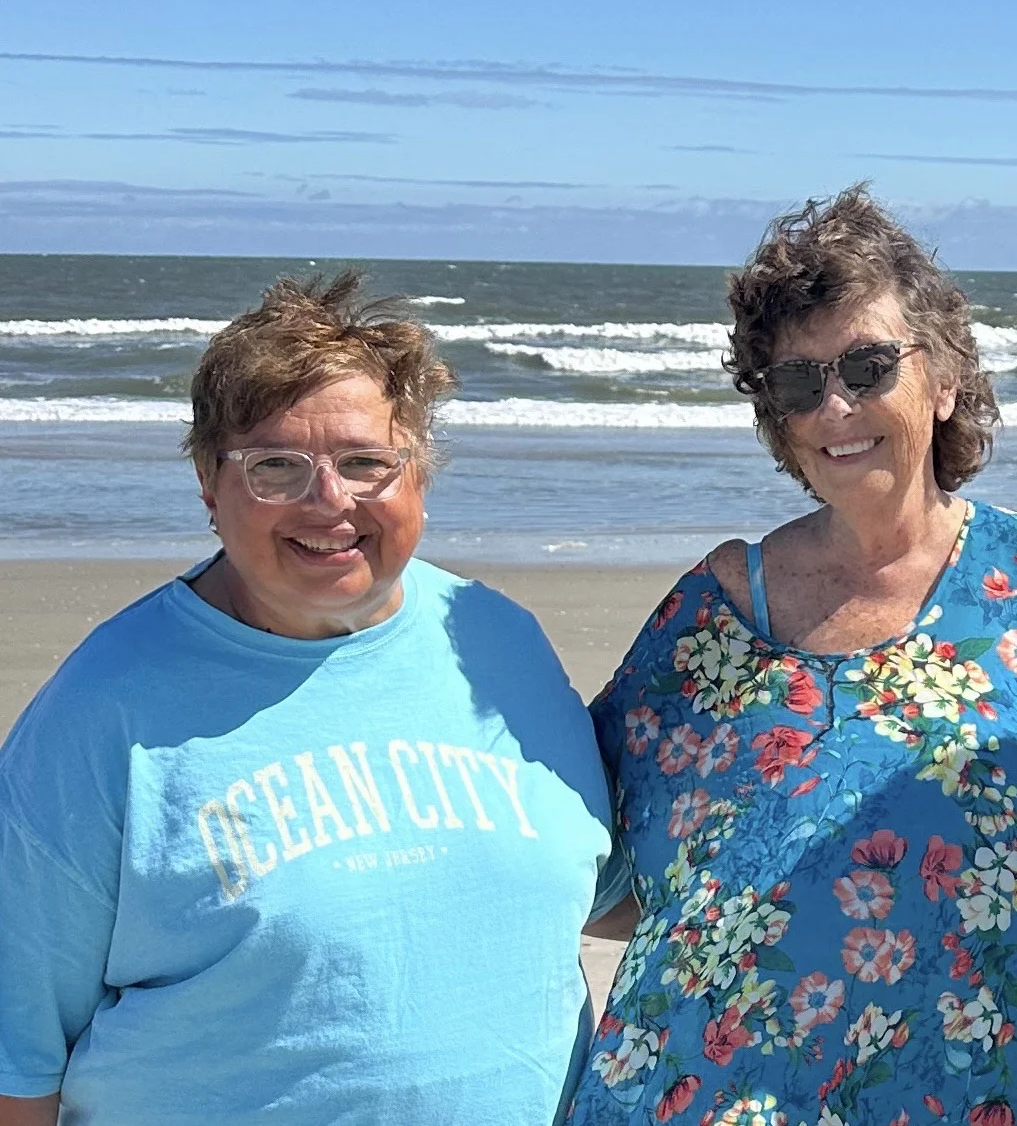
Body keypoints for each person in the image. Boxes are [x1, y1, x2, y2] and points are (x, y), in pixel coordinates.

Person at [571, 187, 1017, 1126]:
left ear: (944, 378)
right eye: (799, 381)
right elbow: (583, 866)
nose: (836, 403)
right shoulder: (711, 613)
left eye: (866, 364)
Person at [0, 274, 617, 1126]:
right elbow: (17, 1055)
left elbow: (600, 884)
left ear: (420, 478)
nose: (330, 499)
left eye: (366, 462)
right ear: (210, 487)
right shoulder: (103, 712)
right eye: (276, 466)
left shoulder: (495, 642)